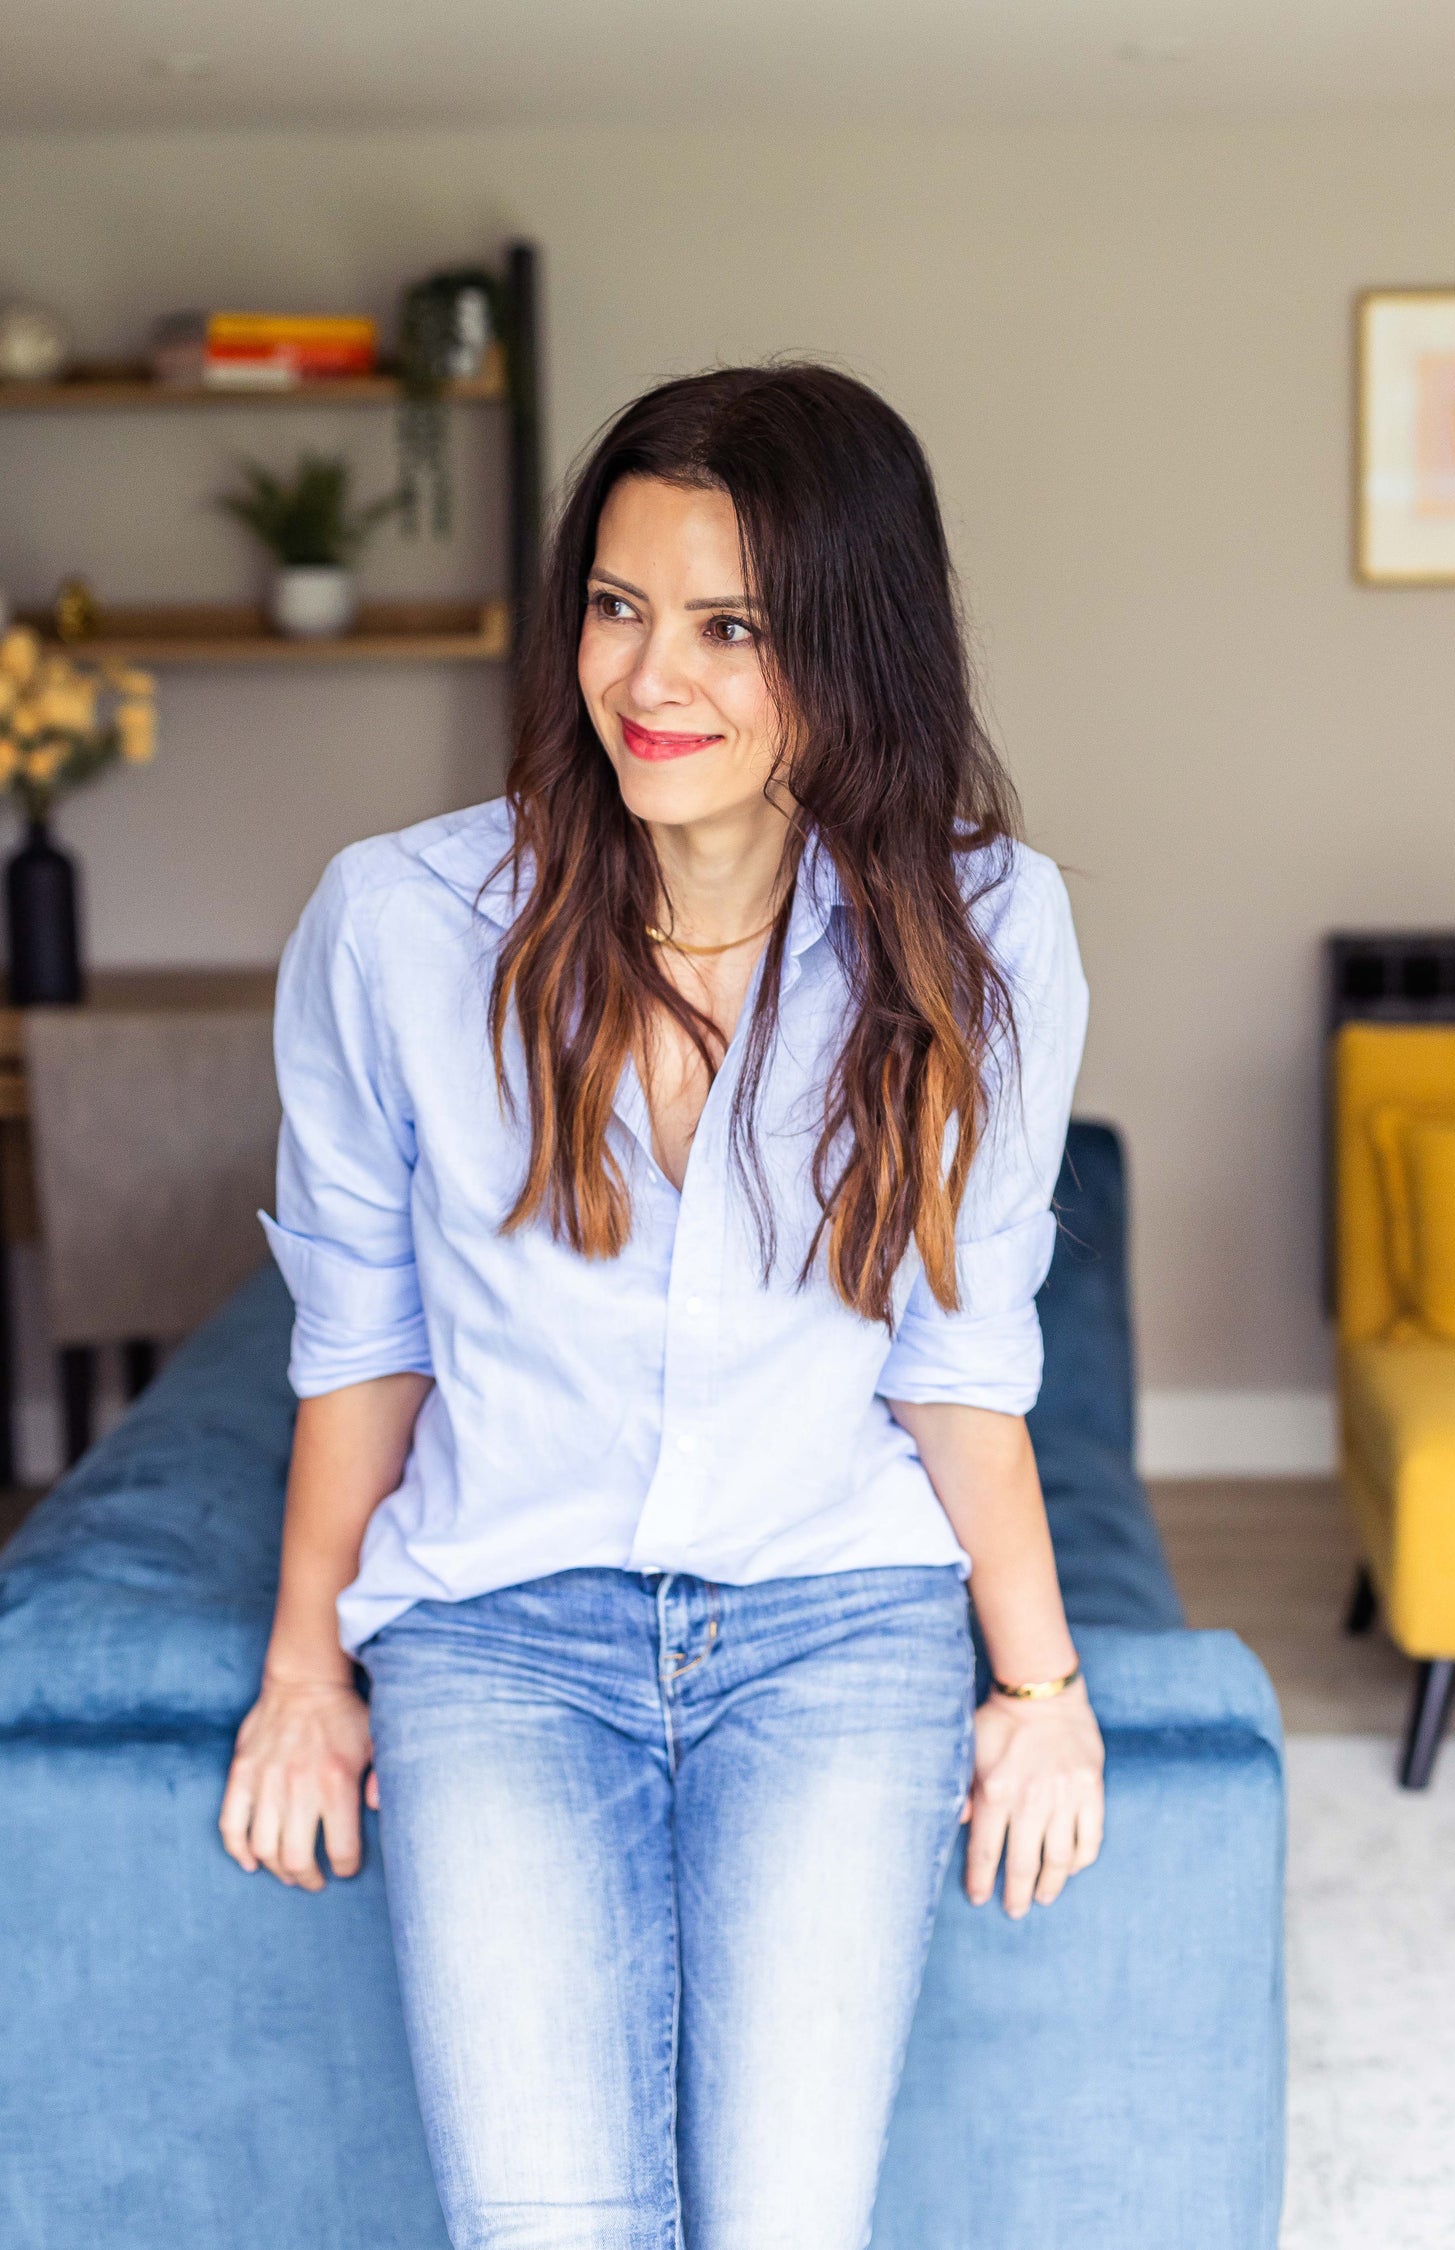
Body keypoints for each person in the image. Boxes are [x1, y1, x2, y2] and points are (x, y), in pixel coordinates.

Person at [218, 363, 1104, 2250]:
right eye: (618, 608)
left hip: (836, 1624)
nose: (650, 678)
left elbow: (960, 1356)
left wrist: (1040, 1684)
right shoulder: (399, 922)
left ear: (852, 652)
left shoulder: (986, 927)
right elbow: (363, 1331)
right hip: (501, 1633)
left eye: (731, 626)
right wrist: (308, 1667)